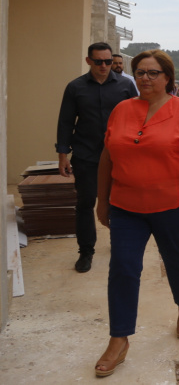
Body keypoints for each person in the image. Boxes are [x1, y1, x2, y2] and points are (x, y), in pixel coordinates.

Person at [92, 49, 179, 377]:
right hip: (126, 206)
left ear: (167, 78)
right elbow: (107, 158)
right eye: (140, 72)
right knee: (123, 268)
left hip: (173, 204)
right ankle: (119, 339)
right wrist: (102, 201)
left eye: (153, 73)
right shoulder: (121, 110)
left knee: (176, 259)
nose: (146, 78)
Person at [55, 42, 137, 273]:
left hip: (120, 156)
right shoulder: (75, 88)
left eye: (108, 61)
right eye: (98, 61)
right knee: (85, 203)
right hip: (86, 155)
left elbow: (138, 118)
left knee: (121, 204)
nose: (104, 66)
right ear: (88, 60)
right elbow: (65, 122)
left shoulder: (125, 86)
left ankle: (120, 246)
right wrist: (63, 155)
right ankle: (86, 252)